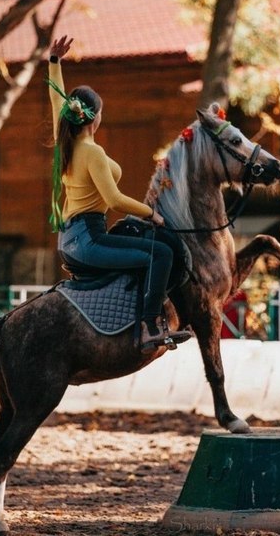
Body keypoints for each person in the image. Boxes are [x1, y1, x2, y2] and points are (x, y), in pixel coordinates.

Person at [48, 35, 188, 354]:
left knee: (133, 235)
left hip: (70, 240)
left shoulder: (65, 142)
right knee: (160, 253)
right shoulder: (91, 151)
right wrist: (151, 212)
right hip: (88, 241)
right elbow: (113, 200)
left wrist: (54, 62)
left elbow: (56, 98)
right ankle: (150, 325)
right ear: (95, 117)